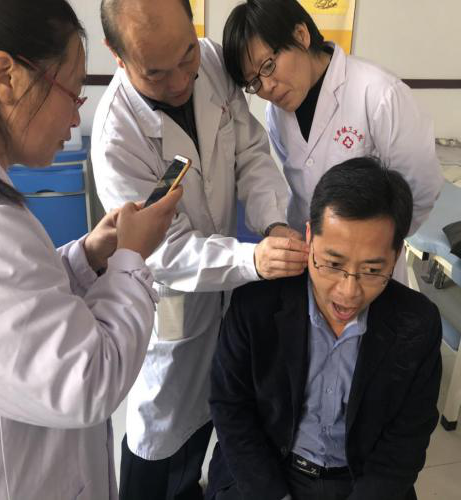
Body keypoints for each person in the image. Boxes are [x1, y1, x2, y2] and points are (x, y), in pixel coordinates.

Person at [0, 0, 182, 498]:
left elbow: (22, 307)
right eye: (72, 89)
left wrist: (88, 255)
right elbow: (86, 382)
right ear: (5, 76)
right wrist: (131, 259)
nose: (76, 112)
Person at [93, 0, 310, 498]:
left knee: (220, 413)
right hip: (174, 303)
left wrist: (273, 222)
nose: (179, 82)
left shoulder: (211, 61)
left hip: (229, 294)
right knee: (161, 431)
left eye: (186, 55)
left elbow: (250, 153)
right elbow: (163, 250)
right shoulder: (117, 136)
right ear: (117, 55)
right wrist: (249, 259)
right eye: (156, 72)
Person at [207, 157, 442, 500]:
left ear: (396, 257)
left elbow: (407, 438)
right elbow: (231, 407)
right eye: (332, 264)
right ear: (309, 237)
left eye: (372, 270)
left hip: (359, 480)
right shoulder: (256, 304)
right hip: (269, 471)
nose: (348, 292)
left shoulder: (417, 324)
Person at [222, 0, 444, 281]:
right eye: (253, 82)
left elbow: (421, 188)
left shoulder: (379, 94)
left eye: (268, 66)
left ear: (301, 35)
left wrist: (374, 248)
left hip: (365, 268)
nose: (267, 87)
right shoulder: (275, 114)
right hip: (307, 259)